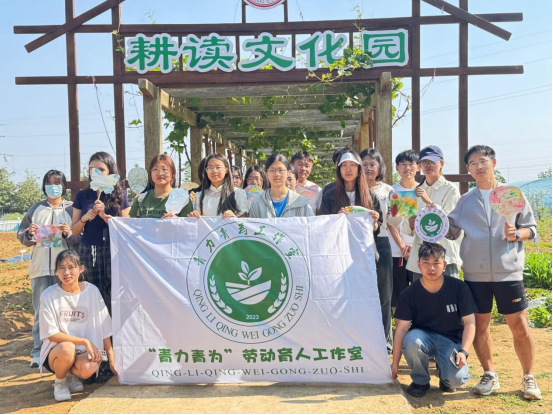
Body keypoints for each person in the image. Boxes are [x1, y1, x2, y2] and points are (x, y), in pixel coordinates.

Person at [447, 145, 542, 401]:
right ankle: (489, 374)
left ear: (494, 163)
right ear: (468, 169)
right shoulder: (465, 201)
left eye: (483, 161)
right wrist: (426, 221)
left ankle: (528, 377)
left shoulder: (512, 195)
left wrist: (518, 233)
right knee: (480, 326)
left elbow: (532, 229)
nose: (479, 166)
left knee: (519, 325)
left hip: (508, 273)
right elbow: (451, 231)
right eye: (473, 163)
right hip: (475, 275)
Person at [392, 243, 477, 399]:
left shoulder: (459, 288)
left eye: (436, 263)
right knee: (411, 341)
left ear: (444, 265)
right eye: (426, 263)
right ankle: (420, 381)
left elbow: (470, 322)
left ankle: (445, 377)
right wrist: (395, 364)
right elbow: (402, 329)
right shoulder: (409, 293)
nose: (431, 268)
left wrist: (464, 352)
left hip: (450, 340)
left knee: (457, 380)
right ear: (418, 264)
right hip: (422, 337)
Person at [17, 170, 80, 368]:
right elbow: (21, 234)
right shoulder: (36, 209)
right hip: (40, 268)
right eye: (49, 183)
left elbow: (80, 237)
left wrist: (69, 234)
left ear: (64, 186)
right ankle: (38, 352)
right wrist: (30, 233)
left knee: (67, 311)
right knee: (40, 311)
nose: (53, 186)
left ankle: (68, 349)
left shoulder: (72, 209)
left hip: (65, 271)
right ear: (44, 185)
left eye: (57, 183)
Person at [39, 250, 115, 402]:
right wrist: (84, 341)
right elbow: (51, 334)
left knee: (89, 369)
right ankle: (60, 381)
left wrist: (111, 359)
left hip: (82, 353)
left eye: (71, 267)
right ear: (56, 271)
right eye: (61, 268)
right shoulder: (48, 295)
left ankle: (70, 375)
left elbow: (105, 327)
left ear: (81, 268)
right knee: (67, 348)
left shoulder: (92, 291)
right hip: (57, 352)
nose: (66, 272)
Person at [71, 152, 130, 317]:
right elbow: (74, 230)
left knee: (114, 291)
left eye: (101, 169)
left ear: (110, 171)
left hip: (114, 249)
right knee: (90, 291)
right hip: (89, 250)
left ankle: (113, 329)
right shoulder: (82, 195)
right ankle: (92, 329)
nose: (95, 173)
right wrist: (84, 218)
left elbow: (126, 227)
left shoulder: (120, 195)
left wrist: (105, 216)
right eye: (92, 169)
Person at [404, 146, 463, 280]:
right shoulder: (414, 191)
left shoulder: (451, 189)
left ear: (441, 163)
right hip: (421, 257)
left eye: (432, 161)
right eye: (425, 162)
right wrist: (411, 225)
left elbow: (451, 223)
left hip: (445, 255)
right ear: (420, 165)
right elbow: (406, 228)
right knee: (421, 293)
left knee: (449, 292)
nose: (428, 165)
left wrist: (428, 201)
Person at [361, 148, 394, 354]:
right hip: (358, 245)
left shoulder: (389, 190)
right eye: (364, 164)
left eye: (372, 164)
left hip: (381, 241)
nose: (368, 168)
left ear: (379, 167)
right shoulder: (354, 189)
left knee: (384, 293)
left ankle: (386, 341)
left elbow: (395, 220)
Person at [389, 150, 420, 313]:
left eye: (411, 164)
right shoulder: (392, 191)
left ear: (418, 167)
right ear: (397, 168)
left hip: (420, 251)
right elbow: (391, 223)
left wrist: (414, 246)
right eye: (403, 165)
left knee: (419, 293)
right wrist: (402, 246)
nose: (407, 168)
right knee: (398, 294)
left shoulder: (423, 191)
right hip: (397, 252)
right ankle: (400, 325)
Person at [250, 154, 314, 218]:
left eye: (280, 170)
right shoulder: (257, 203)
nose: (276, 174)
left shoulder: (302, 202)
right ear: (266, 174)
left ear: (288, 173)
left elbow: (311, 223)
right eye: (272, 170)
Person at [130, 154, 193, 219]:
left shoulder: (182, 198)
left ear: (173, 174)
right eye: (155, 169)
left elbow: (188, 224)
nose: (160, 173)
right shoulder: (140, 199)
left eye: (164, 169)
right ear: (150, 173)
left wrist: (176, 220)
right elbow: (131, 224)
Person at [189, 153, 249, 219]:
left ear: (226, 170)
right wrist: (193, 216)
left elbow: (244, 221)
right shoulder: (199, 196)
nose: (214, 171)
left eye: (218, 167)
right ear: (206, 171)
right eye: (210, 168)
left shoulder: (237, 193)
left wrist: (234, 218)